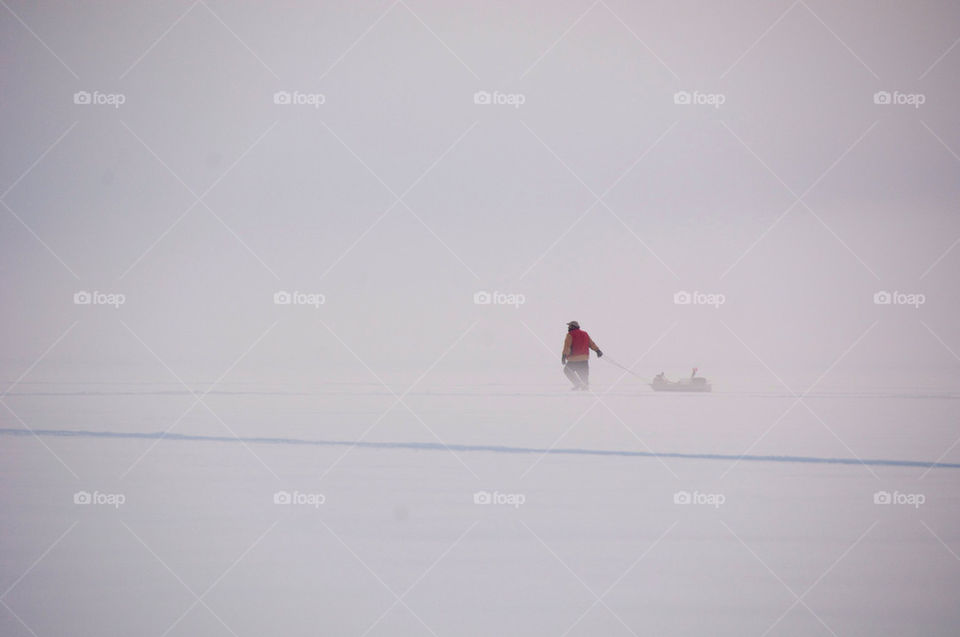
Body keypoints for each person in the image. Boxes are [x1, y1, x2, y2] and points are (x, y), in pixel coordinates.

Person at [561, 321, 602, 390]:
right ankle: (585, 387)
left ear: (573, 326)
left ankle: (578, 384)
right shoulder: (585, 334)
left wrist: (564, 356)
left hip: (574, 358)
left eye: (569, 326)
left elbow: (567, 347)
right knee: (583, 373)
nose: (568, 327)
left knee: (567, 371)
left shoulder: (570, 334)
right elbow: (591, 344)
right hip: (584, 358)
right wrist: (598, 351)